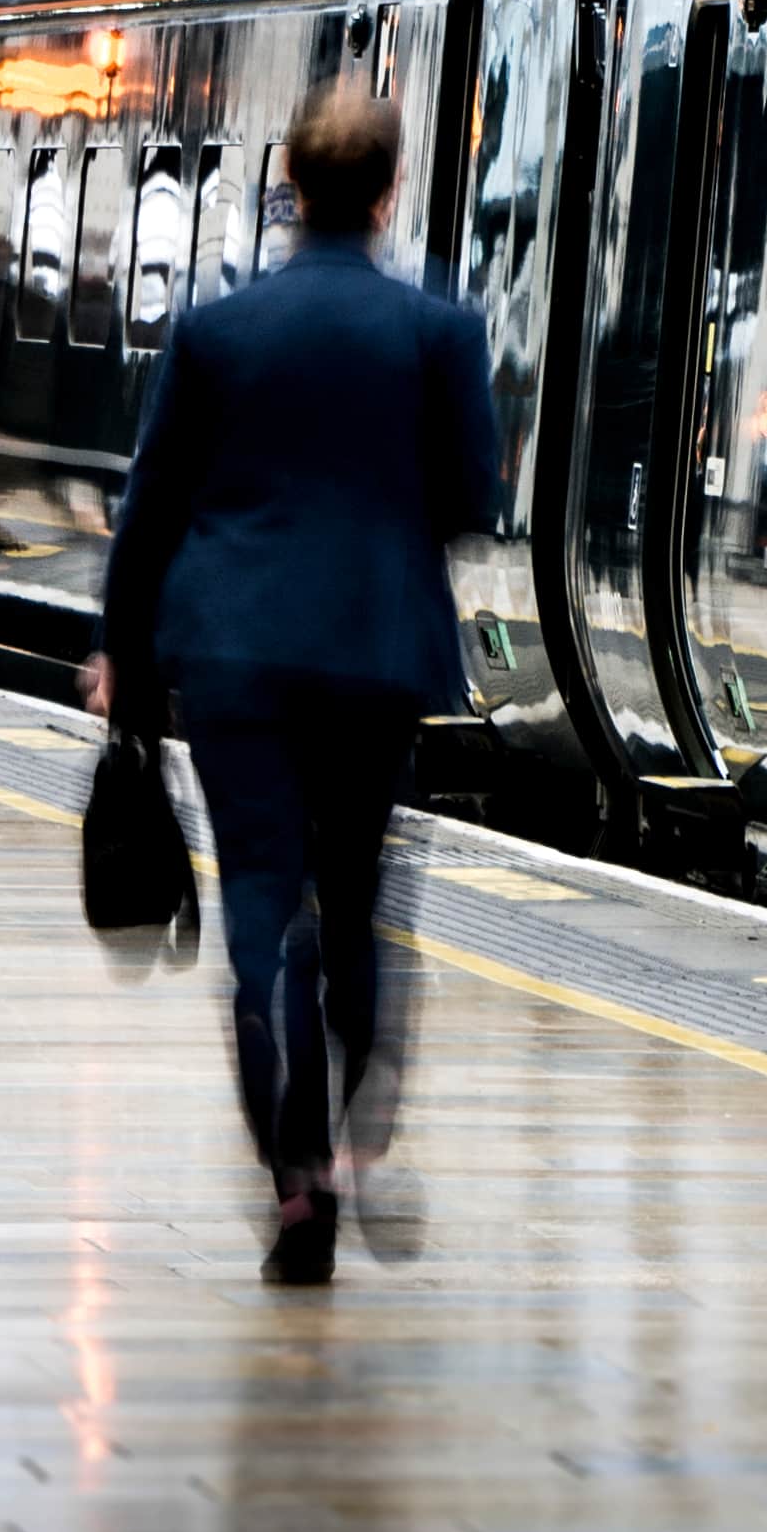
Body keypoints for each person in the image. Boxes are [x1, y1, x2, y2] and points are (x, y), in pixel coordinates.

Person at [91, 84, 496, 1288]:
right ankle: (363, 1117)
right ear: (386, 192)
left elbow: (150, 507)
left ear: (287, 186)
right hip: (375, 654)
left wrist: (123, 651)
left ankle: (297, 1184)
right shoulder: (440, 332)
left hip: (235, 655)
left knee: (262, 898)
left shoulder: (219, 331)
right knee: (359, 895)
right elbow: (473, 504)